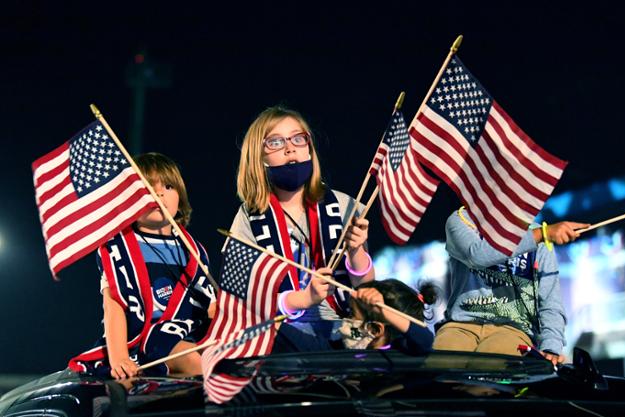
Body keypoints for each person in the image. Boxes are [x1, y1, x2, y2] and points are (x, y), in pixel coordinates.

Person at [229, 106, 374, 341]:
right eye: (275, 142)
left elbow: (366, 286)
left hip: (342, 324)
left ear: (309, 148)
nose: (289, 148)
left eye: (298, 138)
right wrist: (304, 299)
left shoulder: (344, 205)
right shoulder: (249, 216)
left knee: (386, 339)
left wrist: (356, 251)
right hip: (280, 327)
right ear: (259, 156)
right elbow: (244, 298)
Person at [69, 153, 217, 379]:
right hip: (146, 342)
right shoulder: (119, 247)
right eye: (148, 187)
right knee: (195, 361)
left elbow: (208, 305)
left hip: (190, 333)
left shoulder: (194, 250)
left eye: (168, 186)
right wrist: (119, 358)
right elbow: (114, 304)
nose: (159, 193)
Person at [432, 206, 589, 364]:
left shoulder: (539, 234)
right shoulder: (460, 219)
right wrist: (542, 234)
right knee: (440, 368)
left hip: (513, 329)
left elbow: (550, 301)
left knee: (489, 371)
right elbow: (477, 256)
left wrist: (551, 348)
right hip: (460, 326)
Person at [272, 279, 436, 355]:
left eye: (351, 315)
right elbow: (286, 335)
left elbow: (425, 341)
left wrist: (385, 312)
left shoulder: (403, 359)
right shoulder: (339, 351)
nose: (345, 321)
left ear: (374, 329)